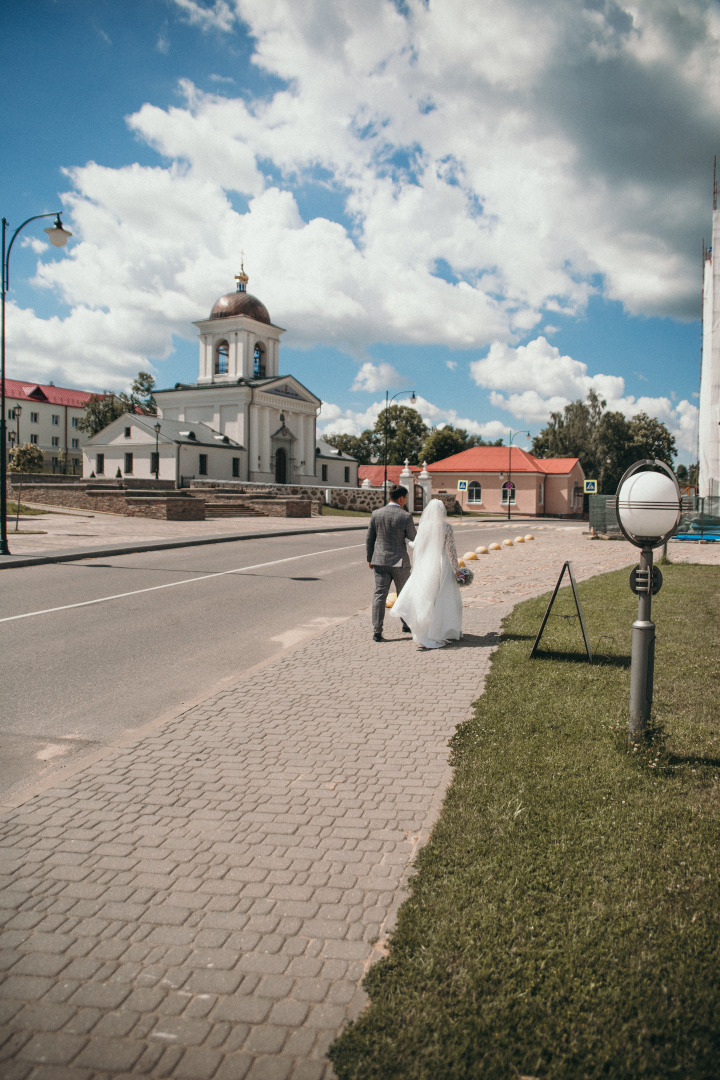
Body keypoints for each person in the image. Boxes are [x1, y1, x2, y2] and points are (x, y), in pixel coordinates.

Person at [390, 497, 462, 649]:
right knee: (441, 598)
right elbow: (451, 551)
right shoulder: (447, 527)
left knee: (425, 597)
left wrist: (406, 541)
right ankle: (440, 630)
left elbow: (416, 546)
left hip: (425, 564)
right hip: (441, 564)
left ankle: (425, 629)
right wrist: (457, 569)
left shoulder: (424, 527)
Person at [366, 485, 416, 642]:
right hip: (399, 562)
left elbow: (369, 538)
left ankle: (377, 631)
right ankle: (406, 624)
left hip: (380, 561)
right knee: (404, 594)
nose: (405, 501)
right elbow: (414, 537)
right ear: (401, 498)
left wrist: (369, 558)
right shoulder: (405, 516)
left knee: (379, 595)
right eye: (406, 498)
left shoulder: (376, 514)